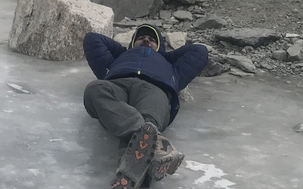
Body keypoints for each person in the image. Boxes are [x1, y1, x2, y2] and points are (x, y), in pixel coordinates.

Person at [83, 24, 209, 189]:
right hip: (118, 84)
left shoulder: (172, 68)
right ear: (133, 42)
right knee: (94, 89)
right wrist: (126, 52)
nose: (146, 40)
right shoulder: (118, 59)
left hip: (155, 88)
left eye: (152, 40)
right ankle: (157, 146)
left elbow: (199, 51)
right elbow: (92, 39)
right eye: (141, 38)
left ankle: (130, 176)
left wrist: (164, 56)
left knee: (148, 123)